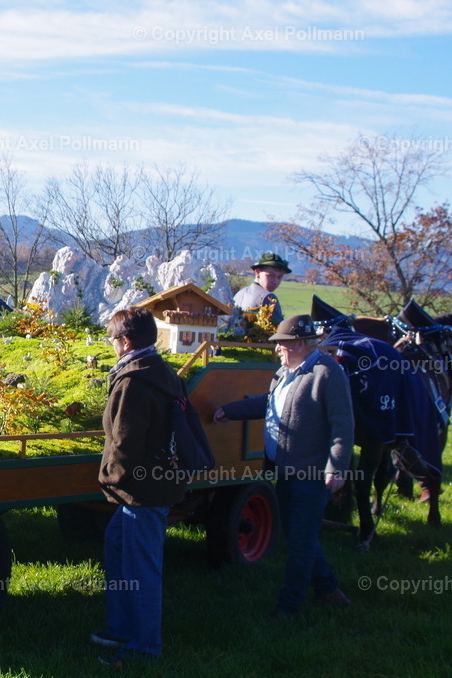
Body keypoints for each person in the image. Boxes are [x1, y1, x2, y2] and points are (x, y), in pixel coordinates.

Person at [213, 314, 353, 616]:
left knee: (300, 543)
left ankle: (288, 609)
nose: (277, 349)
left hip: (311, 475)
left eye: (282, 344)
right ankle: (328, 590)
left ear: (301, 344)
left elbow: (342, 424)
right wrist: (231, 410)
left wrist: (337, 467)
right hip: (285, 471)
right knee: (299, 535)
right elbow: (271, 404)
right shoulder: (285, 371)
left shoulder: (327, 373)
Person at [92, 306, 187, 666]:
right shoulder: (161, 372)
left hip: (142, 491)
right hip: (153, 485)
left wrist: (110, 479)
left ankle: (145, 647)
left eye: (113, 338)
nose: (111, 345)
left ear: (126, 340)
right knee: (118, 547)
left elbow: (126, 442)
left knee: (141, 569)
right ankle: (120, 626)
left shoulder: (133, 380)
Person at [232, 252, 290, 335]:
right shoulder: (268, 297)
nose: (275, 281)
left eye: (279, 277)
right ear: (257, 272)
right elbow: (280, 331)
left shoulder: (239, 294)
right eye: (271, 276)